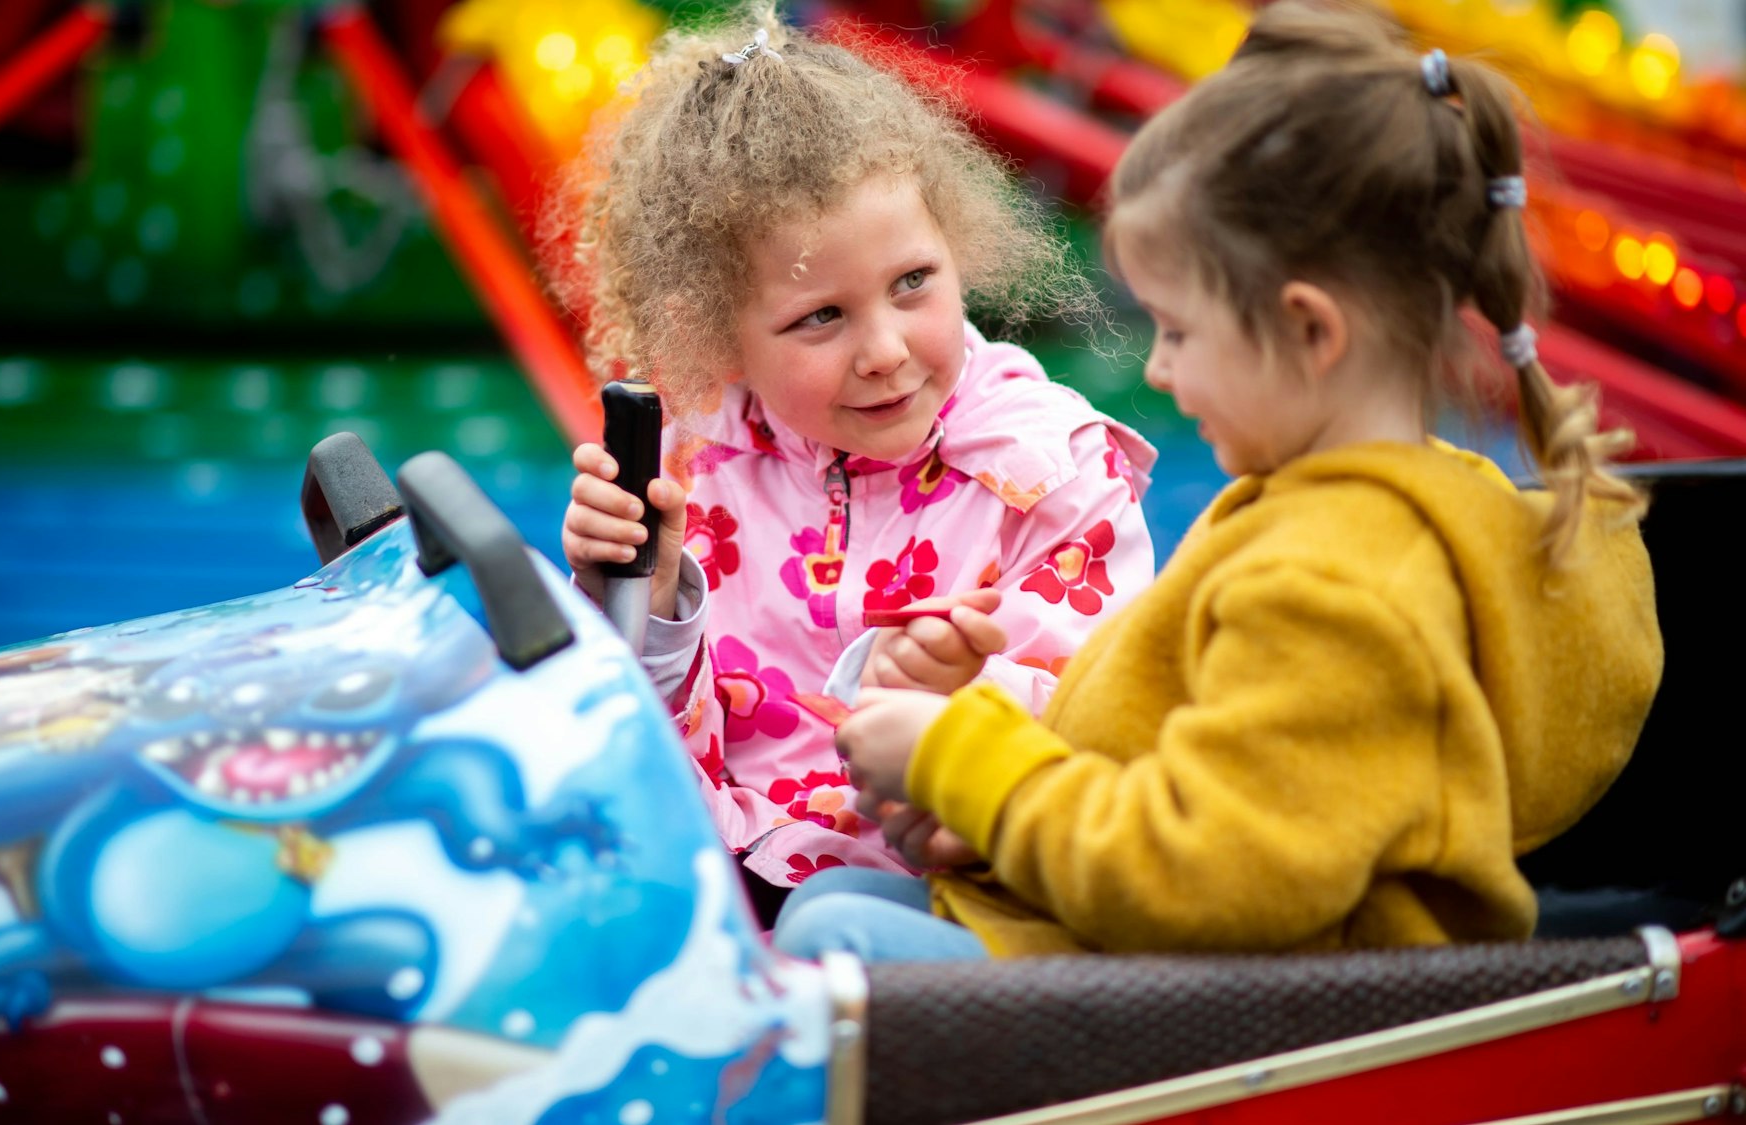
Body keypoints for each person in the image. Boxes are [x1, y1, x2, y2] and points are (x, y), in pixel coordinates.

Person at [779, 0, 1664, 961]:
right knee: (835, 905)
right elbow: (1199, 764)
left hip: (1255, 1017)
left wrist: (962, 761)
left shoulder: (1333, 586)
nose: (1158, 371)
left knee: (830, 947)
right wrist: (984, 814)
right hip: (1168, 953)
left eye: (1182, 332)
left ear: (1310, 332)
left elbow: (1213, 875)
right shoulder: (1370, 509)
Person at [550, 6, 1158, 915]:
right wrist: (651, 598)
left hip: (953, 889)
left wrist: (965, 687)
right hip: (724, 868)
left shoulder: (1044, 468)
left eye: (913, 283)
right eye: (820, 318)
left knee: (825, 920)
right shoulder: (695, 458)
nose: (883, 350)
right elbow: (640, 750)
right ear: (719, 335)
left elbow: (1114, 731)